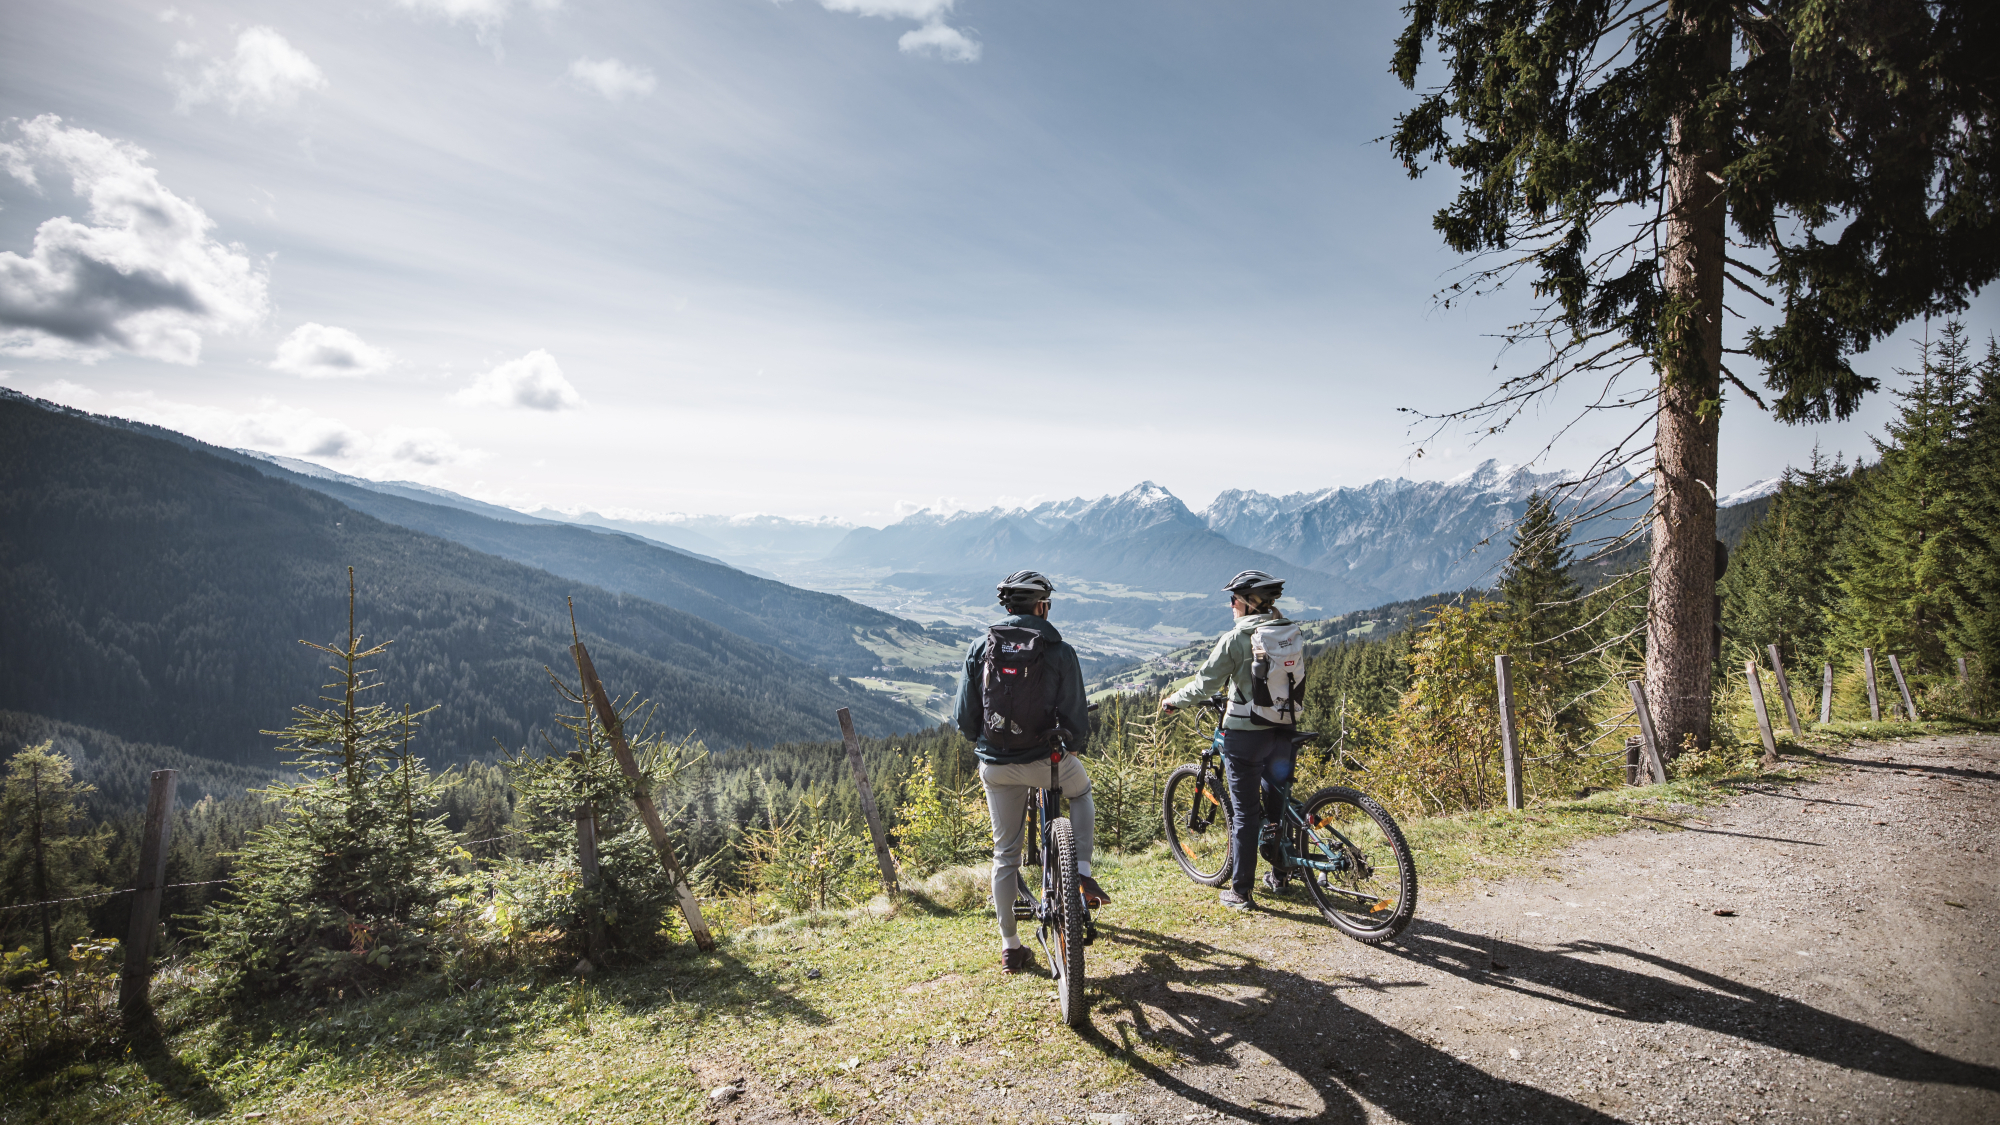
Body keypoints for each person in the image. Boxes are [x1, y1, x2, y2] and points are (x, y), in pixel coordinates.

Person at [953, 569, 1109, 974]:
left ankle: (1011, 946)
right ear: (1042, 606)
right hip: (1047, 765)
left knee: (1005, 854)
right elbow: (1075, 715)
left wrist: (986, 744)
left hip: (997, 767)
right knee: (1082, 792)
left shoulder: (979, 646)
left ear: (1006, 606)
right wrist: (1071, 745)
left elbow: (965, 717)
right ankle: (1082, 874)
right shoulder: (1058, 650)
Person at [1161, 569, 1300, 910]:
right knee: (1276, 805)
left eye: (1233, 600)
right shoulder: (1288, 629)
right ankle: (1281, 874)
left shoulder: (1236, 638)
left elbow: (1205, 684)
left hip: (1246, 735)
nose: (1230, 606)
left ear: (1247, 603)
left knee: (1245, 814)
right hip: (1284, 729)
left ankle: (1241, 892)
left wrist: (1173, 700)